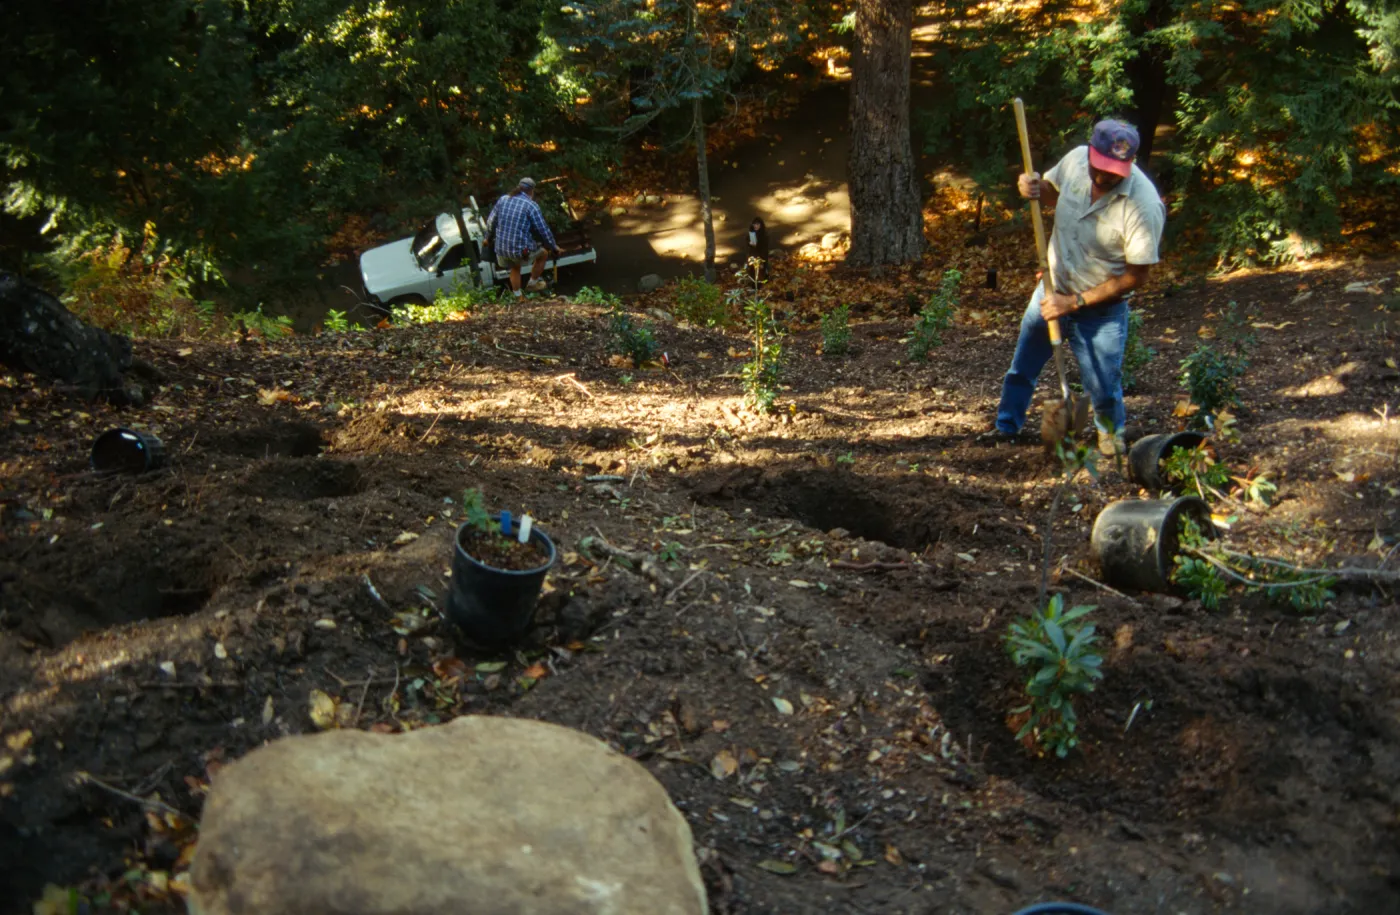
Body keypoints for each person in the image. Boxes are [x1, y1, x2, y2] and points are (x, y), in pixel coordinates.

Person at [991, 119, 1166, 455]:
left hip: (1101, 310)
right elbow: (1049, 194)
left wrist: (1073, 303)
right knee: (1021, 370)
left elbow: (1135, 278)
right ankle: (1005, 430)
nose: (1103, 178)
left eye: (1114, 172)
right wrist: (1031, 187)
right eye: (1098, 168)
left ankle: (1110, 443)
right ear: (1090, 153)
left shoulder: (1143, 206)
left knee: (1103, 388)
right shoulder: (1074, 161)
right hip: (1051, 291)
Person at [485, 177, 560, 298]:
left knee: (515, 267)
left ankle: (518, 296)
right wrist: (554, 246)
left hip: (501, 250)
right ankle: (532, 283)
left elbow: (490, 221)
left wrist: (487, 238)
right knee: (543, 254)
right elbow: (543, 230)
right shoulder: (531, 206)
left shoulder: (503, 199)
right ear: (531, 191)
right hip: (519, 252)